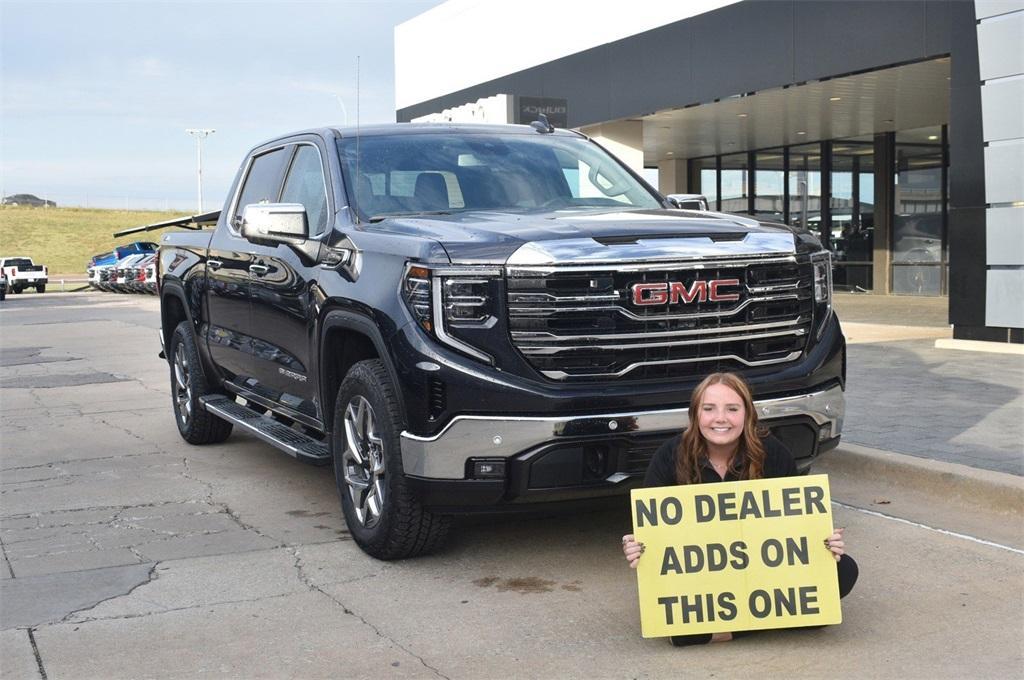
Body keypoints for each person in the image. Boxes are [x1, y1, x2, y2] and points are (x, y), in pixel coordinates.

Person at [621, 372, 858, 646]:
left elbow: (799, 522)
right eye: (709, 409)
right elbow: (651, 530)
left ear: (747, 414)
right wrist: (636, 545)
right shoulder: (671, 455)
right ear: (695, 415)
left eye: (732, 409)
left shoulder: (773, 453)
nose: (720, 418)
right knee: (671, 614)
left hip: (764, 567)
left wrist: (826, 541)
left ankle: (729, 631)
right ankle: (776, 622)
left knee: (844, 571)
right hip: (707, 572)